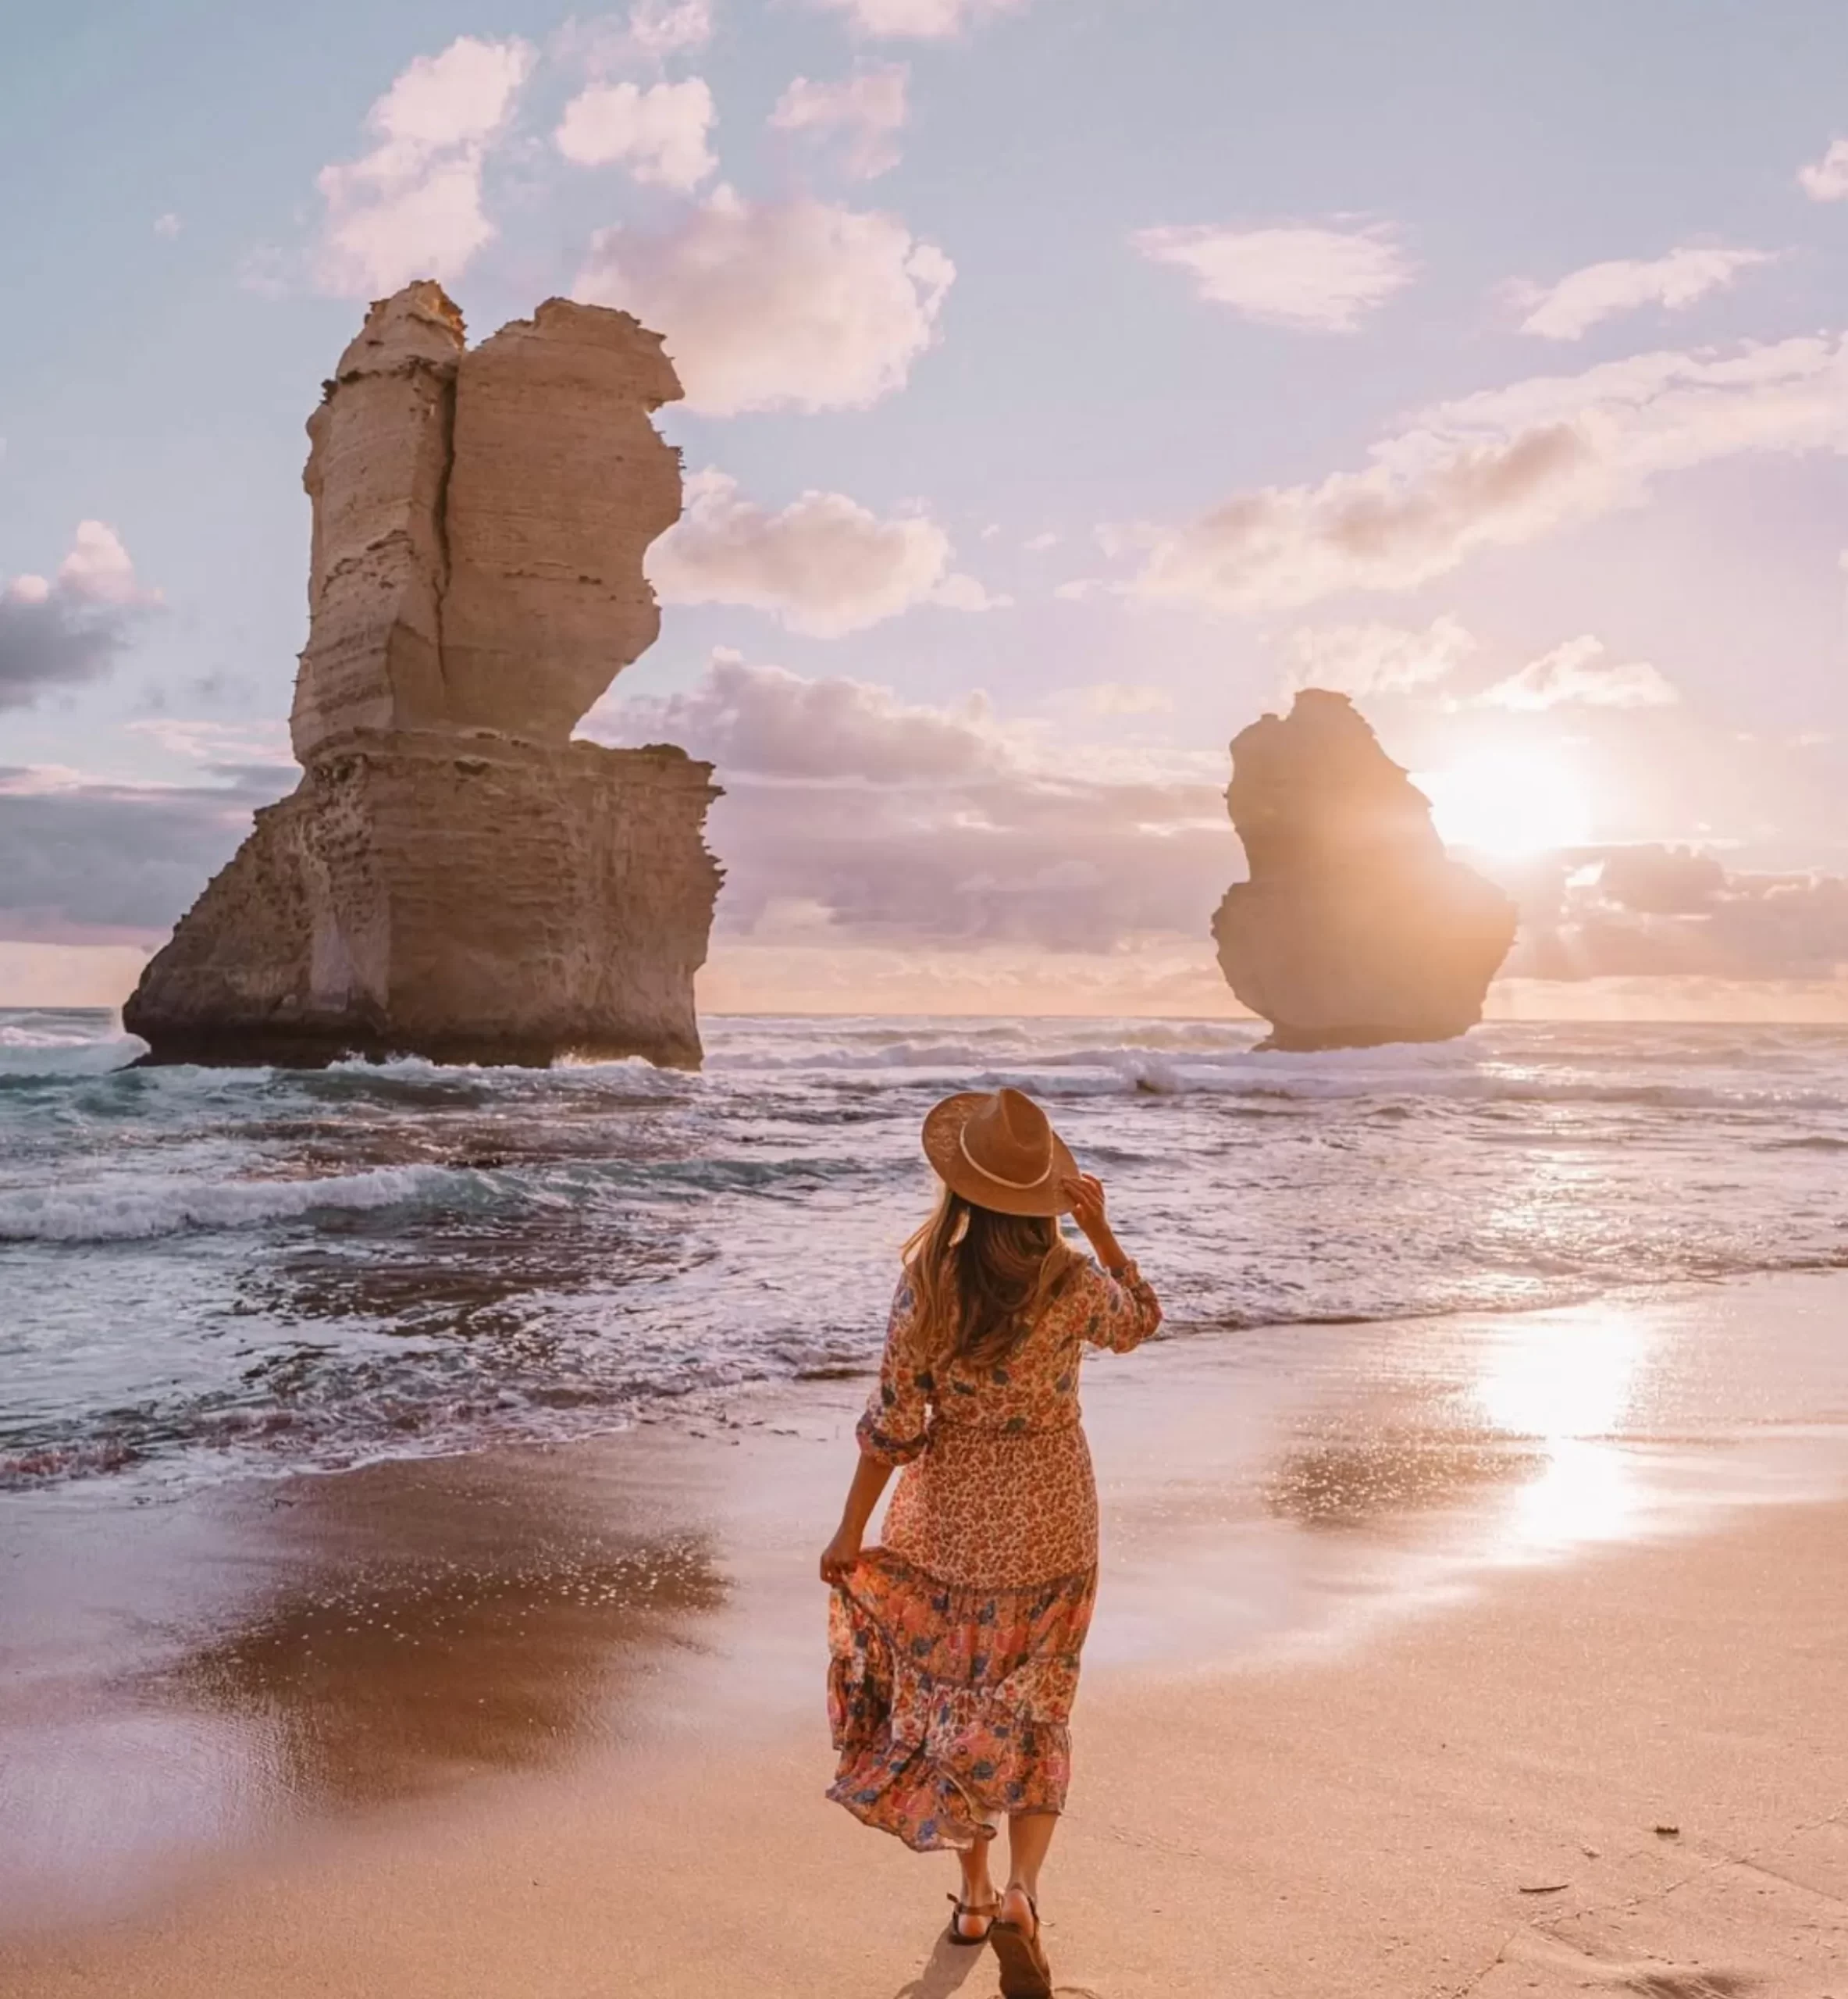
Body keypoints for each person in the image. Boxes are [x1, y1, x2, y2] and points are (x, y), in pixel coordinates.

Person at [819, 1085, 1163, 1997]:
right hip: (1055, 1511)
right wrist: (1106, 1233)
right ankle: (1022, 1891)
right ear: (1049, 1198)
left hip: (958, 1519)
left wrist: (852, 1526)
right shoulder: (1075, 1283)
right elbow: (1141, 1322)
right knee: (1038, 1704)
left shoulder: (928, 1282)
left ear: (962, 1191)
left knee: (958, 1704)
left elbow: (893, 1421)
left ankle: (973, 1900)